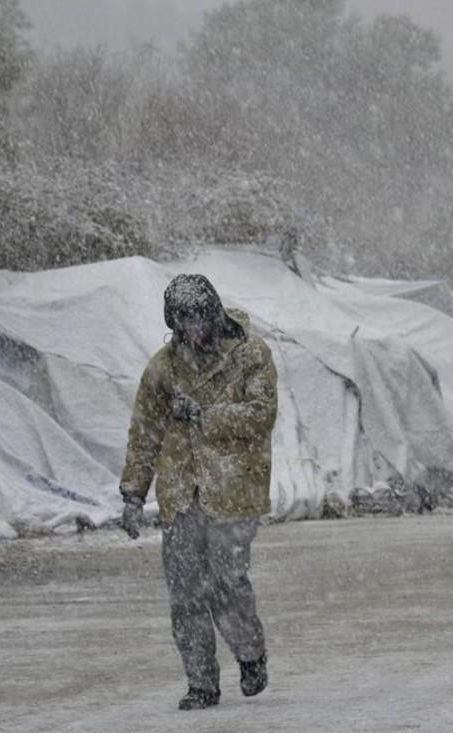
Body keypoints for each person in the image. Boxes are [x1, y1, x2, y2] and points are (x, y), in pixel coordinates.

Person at [119, 273, 278, 711]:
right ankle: (202, 683)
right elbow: (144, 432)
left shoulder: (250, 355)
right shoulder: (163, 367)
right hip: (180, 495)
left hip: (234, 491)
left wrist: (206, 414)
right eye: (181, 321)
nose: (191, 330)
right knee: (186, 594)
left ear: (213, 312)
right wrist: (134, 493)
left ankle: (250, 655)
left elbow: (261, 415)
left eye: (197, 318)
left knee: (228, 583)